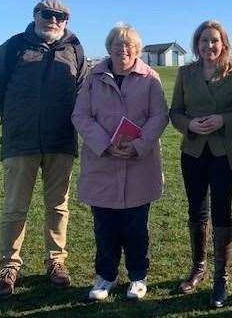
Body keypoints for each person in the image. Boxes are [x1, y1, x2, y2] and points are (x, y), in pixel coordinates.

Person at [0, 0, 88, 298]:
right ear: (35, 15)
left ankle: (56, 261)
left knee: (58, 206)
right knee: (14, 207)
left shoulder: (75, 49)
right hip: (21, 141)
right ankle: (9, 266)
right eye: (48, 14)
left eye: (62, 16)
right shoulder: (13, 47)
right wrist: (16, 118)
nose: (54, 20)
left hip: (61, 140)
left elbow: (82, 91)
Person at [72, 23, 168, 300]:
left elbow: (159, 116)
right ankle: (105, 277)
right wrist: (104, 143)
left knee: (137, 228)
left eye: (128, 44)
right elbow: (81, 115)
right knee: (104, 228)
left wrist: (138, 146)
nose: (123, 48)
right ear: (109, 47)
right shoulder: (94, 77)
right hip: (102, 164)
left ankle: (138, 277)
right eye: (117, 43)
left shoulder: (151, 78)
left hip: (139, 165)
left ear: (137, 49)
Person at [170, 20, 232, 308]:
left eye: (214, 41)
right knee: (196, 209)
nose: (209, 45)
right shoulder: (185, 73)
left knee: (222, 211)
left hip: (223, 152)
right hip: (193, 152)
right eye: (204, 40)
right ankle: (198, 266)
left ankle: (221, 277)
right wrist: (189, 124)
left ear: (223, 44)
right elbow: (175, 112)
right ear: (197, 44)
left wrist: (223, 120)